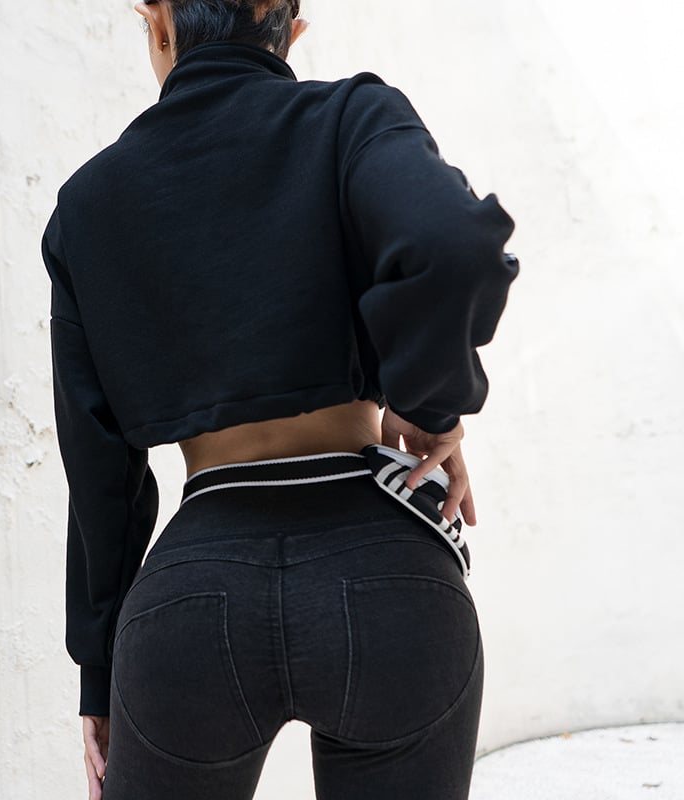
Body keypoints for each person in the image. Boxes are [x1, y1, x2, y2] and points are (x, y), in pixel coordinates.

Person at [41, 1, 519, 798]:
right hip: (389, 583)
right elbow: (452, 244)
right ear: (289, 31)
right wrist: (428, 406)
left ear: (157, 23)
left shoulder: (87, 202)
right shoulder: (352, 118)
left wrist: (100, 673)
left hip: (194, 604)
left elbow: (98, 475)